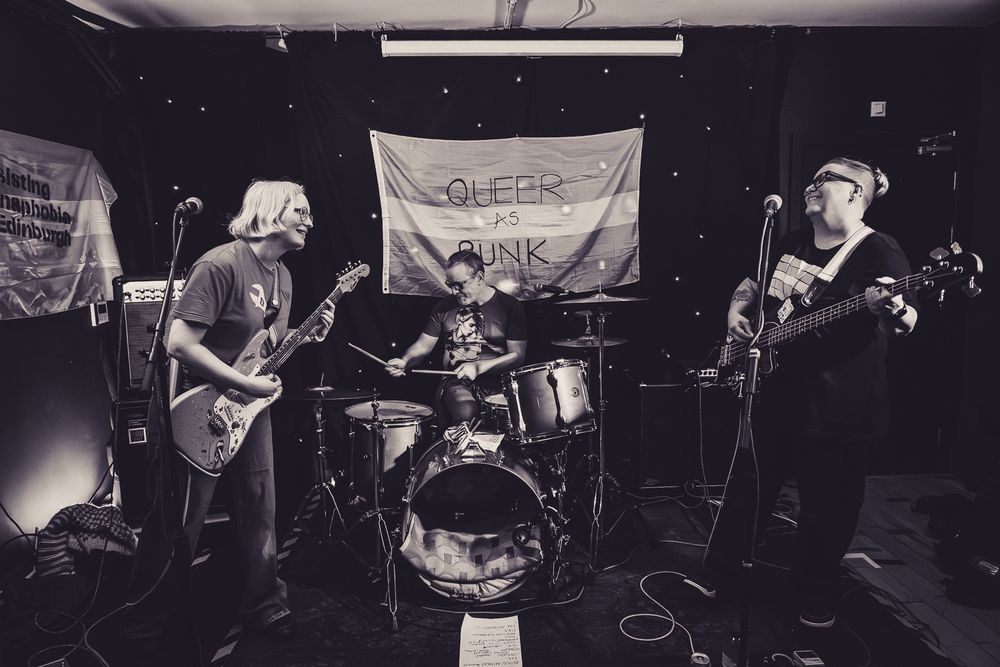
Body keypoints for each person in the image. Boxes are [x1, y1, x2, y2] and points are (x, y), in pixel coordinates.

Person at [703, 158, 918, 629]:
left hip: (838, 408)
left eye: (825, 179)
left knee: (828, 510)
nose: (810, 186)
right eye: (812, 179)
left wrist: (895, 306)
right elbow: (754, 284)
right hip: (775, 395)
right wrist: (735, 311)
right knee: (747, 493)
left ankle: (816, 595)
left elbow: (908, 321)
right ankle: (718, 575)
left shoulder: (879, 250)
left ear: (856, 193)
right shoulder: (792, 240)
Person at [126, 180, 335, 651]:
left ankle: (263, 602)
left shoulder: (282, 275)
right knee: (180, 518)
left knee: (260, 505)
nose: (309, 220)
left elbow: (268, 350)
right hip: (198, 407)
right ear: (271, 212)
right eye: (300, 210)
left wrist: (310, 335)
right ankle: (143, 620)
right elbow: (178, 343)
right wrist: (242, 384)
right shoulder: (221, 264)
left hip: (248, 408)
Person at [384, 250, 527, 428]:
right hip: (456, 381)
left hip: (500, 383)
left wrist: (478, 367)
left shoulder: (510, 307)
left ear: (479, 277)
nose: (454, 291)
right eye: (450, 285)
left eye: (459, 285)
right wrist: (405, 361)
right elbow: (423, 346)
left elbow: (518, 355)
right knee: (466, 412)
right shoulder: (443, 308)